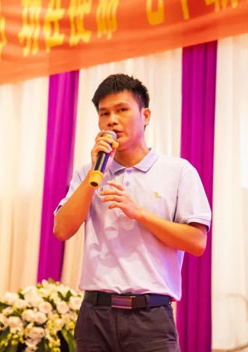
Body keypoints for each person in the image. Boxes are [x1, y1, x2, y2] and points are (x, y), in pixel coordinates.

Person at [54, 74, 211, 351]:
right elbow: (62, 230)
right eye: (104, 113)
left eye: (122, 110)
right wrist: (94, 175)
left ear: (145, 115)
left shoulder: (178, 171)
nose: (112, 120)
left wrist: (139, 212)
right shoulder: (87, 173)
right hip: (94, 315)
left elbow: (197, 243)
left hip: (150, 318)